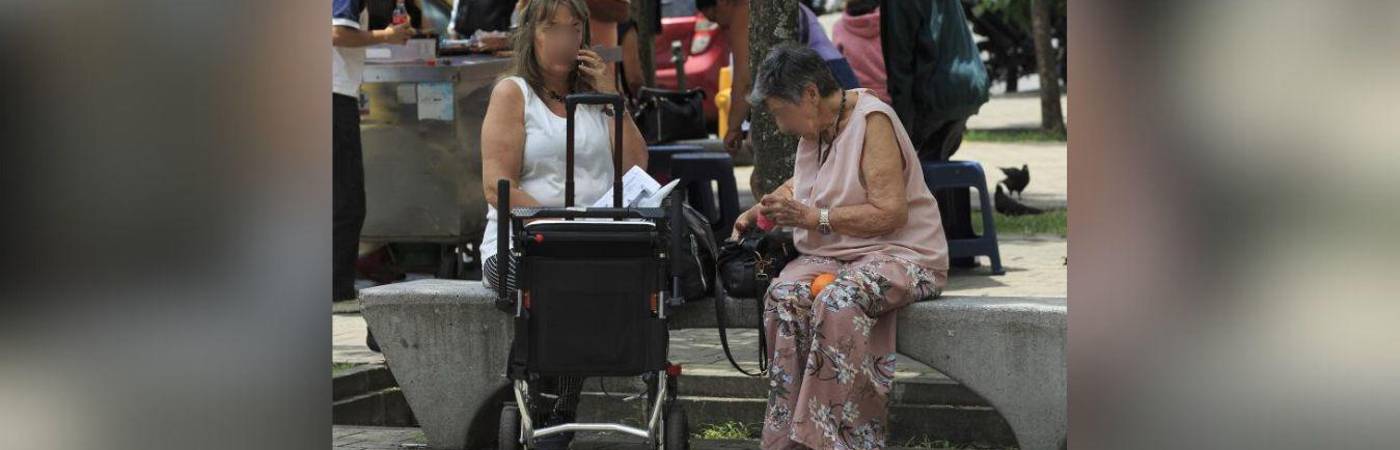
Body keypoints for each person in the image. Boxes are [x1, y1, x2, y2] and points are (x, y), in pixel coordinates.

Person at [737, 44, 947, 450]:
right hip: (837, 254)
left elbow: (891, 213)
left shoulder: (872, 121)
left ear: (811, 94)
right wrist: (760, 211)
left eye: (782, 112)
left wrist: (816, 219)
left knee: (837, 301)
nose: (781, 126)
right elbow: (806, 182)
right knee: (784, 295)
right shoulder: (818, 127)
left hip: (902, 253)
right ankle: (787, 440)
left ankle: (834, 440)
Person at [478, 1, 647, 448]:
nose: (565, 41)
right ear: (531, 34)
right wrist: (557, 223)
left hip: (591, 242)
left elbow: (636, 168)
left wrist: (614, 100)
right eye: (554, 29)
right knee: (562, 278)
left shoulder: (595, 95)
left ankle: (555, 408)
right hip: (521, 242)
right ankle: (551, 405)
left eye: (575, 30)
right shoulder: (514, 93)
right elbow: (499, 187)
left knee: (592, 274)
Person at [881, 0, 989, 267]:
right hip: (967, 85)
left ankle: (932, 253)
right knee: (937, 162)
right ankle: (959, 247)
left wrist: (902, 135)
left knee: (914, 170)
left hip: (939, 93)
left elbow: (900, 66)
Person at [696, 0, 859, 156]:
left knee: (846, 148)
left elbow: (743, 80)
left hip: (825, 74)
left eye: (715, 17)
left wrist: (733, 127)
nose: (720, 25)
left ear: (722, 2)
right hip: (826, 71)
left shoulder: (744, 11)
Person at [332, 0, 413, 303]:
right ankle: (335, 291)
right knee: (346, 200)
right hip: (334, 97)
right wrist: (386, 36)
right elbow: (338, 33)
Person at [832, 0, 890, 103]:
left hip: (861, 101)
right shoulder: (893, 22)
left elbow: (838, 68)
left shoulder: (839, 28)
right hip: (895, 96)